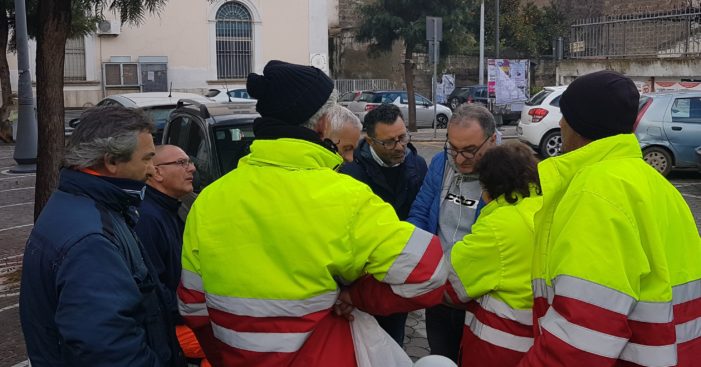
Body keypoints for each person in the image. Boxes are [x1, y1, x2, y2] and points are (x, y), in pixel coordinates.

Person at [177, 60, 447, 366]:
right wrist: (356, 297)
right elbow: (429, 272)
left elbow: (194, 308)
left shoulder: (209, 201)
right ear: (322, 127)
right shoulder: (344, 196)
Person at [517, 70, 701, 366]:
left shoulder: (596, 191)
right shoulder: (657, 185)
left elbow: (581, 341)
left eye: (565, 115)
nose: (561, 123)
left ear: (579, 125)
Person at [19, 106, 182, 366]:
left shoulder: (75, 203)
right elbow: (110, 351)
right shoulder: (91, 240)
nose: (152, 170)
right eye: (146, 159)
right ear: (111, 161)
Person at [407, 104, 498, 362]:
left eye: (470, 151)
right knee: (441, 355)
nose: (459, 159)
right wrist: (419, 266)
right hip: (440, 290)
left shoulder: (507, 174)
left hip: (480, 297)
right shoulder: (440, 163)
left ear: (492, 140)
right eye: (453, 148)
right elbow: (420, 212)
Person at [444, 141, 542, 366]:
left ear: (487, 190)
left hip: (499, 347)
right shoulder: (548, 209)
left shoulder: (499, 226)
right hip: (538, 342)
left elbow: (452, 283)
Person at [340, 103, 428, 345]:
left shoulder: (417, 166)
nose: (400, 146)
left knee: (393, 342)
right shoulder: (349, 173)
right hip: (359, 279)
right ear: (370, 142)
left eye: (402, 137)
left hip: (397, 276)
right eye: (389, 142)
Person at [134, 145, 209, 367]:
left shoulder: (170, 208)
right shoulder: (148, 218)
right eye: (181, 163)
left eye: (190, 162)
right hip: (174, 324)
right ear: (157, 172)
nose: (192, 168)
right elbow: (154, 288)